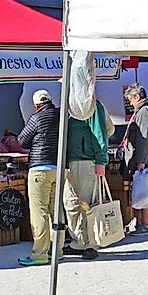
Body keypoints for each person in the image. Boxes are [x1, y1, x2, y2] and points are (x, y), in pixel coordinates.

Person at [18, 90, 61, 265]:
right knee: (55, 210)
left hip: (40, 168)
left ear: (36, 106)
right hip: (59, 167)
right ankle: (56, 251)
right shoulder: (60, 116)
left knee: (39, 211)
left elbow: (22, 140)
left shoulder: (35, 118)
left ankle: (39, 253)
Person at [61, 111, 102, 260]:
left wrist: (100, 160)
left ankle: (91, 244)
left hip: (86, 160)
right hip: (69, 162)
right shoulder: (68, 110)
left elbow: (103, 131)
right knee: (70, 203)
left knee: (87, 203)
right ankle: (78, 241)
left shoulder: (93, 108)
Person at [124, 85, 148, 235]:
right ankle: (141, 223)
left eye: (130, 100)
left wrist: (141, 160)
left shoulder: (144, 112)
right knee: (143, 189)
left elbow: (143, 137)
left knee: (145, 190)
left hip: (147, 157)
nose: (130, 103)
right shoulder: (146, 110)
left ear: (136, 97)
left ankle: (146, 225)